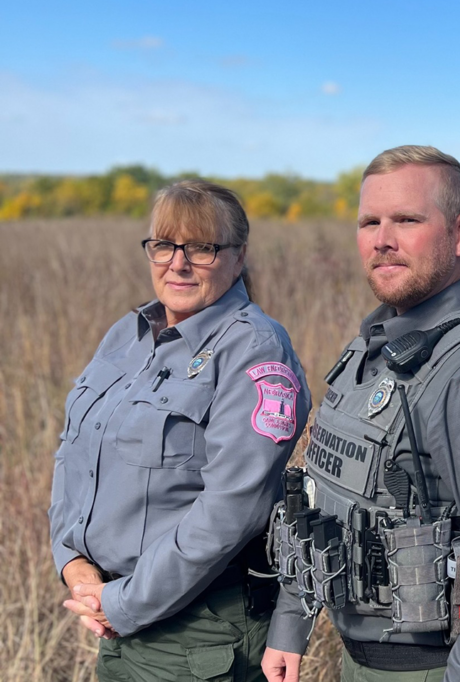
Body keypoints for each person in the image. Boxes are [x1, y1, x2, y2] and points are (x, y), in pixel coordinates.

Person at [261, 145, 460, 682]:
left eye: (407, 220)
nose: (382, 239)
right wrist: (291, 623)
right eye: (369, 221)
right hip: (362, 661)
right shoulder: (371, 349)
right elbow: (320, 499)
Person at [49, 179, 312, 681]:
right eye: (164, 245)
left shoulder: (254, 350)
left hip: (199, 634)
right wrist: (73, 562)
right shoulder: (128, 336)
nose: (178, 262)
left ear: (238, 257)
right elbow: (74, 454)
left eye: (202, 247)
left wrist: (124, 602)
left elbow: (232, 508)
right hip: (115, 614)